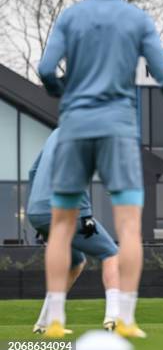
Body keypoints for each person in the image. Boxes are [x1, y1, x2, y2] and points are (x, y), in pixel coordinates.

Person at [37, 0, 163, 338]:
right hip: (119, 128)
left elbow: (46, 69)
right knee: (128, 227)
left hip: (76, 127)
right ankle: (125, 319)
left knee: (61, 227)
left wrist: (62, 93)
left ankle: (56, 321)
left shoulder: (71, 16)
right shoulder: (137, 19)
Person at [28, 129, 120, 334]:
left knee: (75, 263)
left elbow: (32, 172)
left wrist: (36, 211)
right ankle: (113, 318)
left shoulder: (55, 133)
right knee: (111, 254)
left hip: (38, 212)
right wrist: (86, 215)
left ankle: (44, 323)